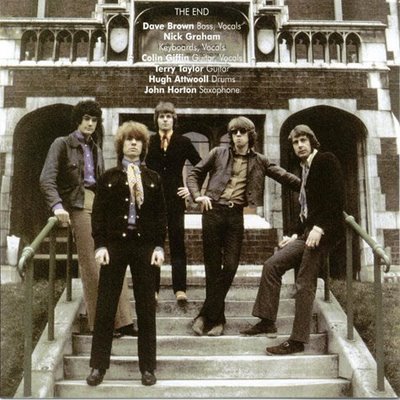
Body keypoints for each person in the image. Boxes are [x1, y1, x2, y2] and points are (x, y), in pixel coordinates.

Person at [186, 116, 300, 336]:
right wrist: (198, 195)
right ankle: (217, 321)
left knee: (230, 266)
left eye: (242, 132)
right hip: (212, 212)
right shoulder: (217, 153)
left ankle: (204, 315)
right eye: (234, 132)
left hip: (235, 215)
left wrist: (310, 185)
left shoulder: (260, 160)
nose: (238, 136)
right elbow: (194, 173)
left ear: (250, 135)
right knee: (212, 268)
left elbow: (285, 177)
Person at [241, 124, 345, 355]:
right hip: (308, 232)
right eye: (296, 142)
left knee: (304, 281)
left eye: (303, 140)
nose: (299, 145)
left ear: (312, 141)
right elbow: (307, 210)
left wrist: (320, 228)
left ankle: (297, 341)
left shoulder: (326, 160)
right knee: (272, 265)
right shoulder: (305, 168)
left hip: (323, 233)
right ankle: (267, 321)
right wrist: (294, 234)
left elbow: (336, 199)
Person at [40, 100, 134, 337]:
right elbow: (46, 179)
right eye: (86, 119)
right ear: (78, 120)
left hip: (100, 203)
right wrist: (57, 206)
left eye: (94, 120)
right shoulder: (62, 144)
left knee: (115, 257)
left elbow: (102, 183)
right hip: (78, 204)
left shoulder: (96, 149)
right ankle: (102, 324)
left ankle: (124, 321)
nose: (90, 124)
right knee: (92, 263)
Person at [86, 121, 167, 386]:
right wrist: (100, 245)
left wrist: (159, 247)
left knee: (146, 308)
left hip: (144, 248)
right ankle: (98, 366)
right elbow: (98, 215)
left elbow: (160, 216)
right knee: (106, 306)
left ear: (144, 146)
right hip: (115, 247)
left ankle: (148, 368)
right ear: (121, 145)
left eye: (138, 140)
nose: (133, 143)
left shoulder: (153, 178)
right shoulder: (109, 178)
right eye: (129, 140)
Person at [146, 101, 201, 302]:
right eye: (161, 116)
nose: (165, 120)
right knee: (154, 242)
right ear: (156, 120)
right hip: (152, 200)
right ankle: (153, 289)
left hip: (176, 200)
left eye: (168, 116)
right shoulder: (148, 141)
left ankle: (180, 289)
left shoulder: (183, 141)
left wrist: (192, 189)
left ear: (173, 119)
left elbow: (201, 166)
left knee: (177, 243)